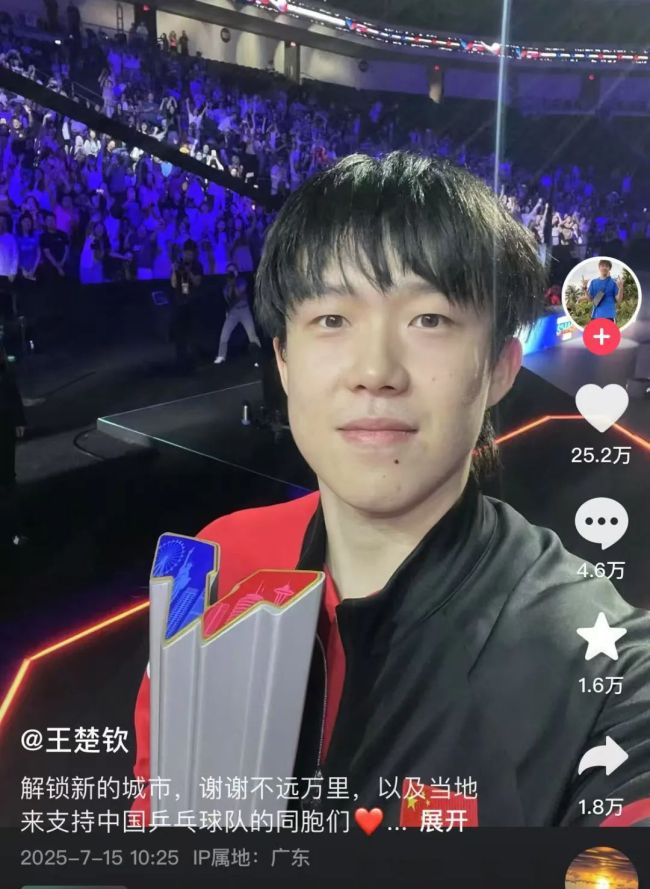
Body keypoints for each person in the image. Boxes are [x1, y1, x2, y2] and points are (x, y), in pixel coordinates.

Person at [131, 152, 650, 828]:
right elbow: (158, 807)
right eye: (331, 319)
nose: (375, 371)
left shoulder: (600, 663)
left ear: (500, 367)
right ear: (283, 359)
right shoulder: (216, 560)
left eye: (429, 319)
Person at [0, 343, 27, 550]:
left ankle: (13, 532)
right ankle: (12, 533)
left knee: (8, 479)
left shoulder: (4, 372)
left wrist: (19, 420)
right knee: (7, 481)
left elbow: (11, 390)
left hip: (4, 427)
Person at [213, 263, 261, 365]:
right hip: (233, 313)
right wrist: (230, 284)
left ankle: (258, 357)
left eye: (232, 271)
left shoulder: (242, 281)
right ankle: (221, 356)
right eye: (228, 271)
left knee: (252, 335)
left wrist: (234, 282)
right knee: (224, 335)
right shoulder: (226, 287)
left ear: (236, 271)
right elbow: (229, 299)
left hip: (244, 310)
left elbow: (239, 294)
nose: (230, 273)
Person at [170, 238, 203, 370]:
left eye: (190, 253)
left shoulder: (197, 265)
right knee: (179, 334)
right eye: (186, 253)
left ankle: (194, 361)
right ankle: (180, 362)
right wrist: (174, 270)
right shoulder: (178, 264)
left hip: (192, 302)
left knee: (193, 333)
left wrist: (188, 272)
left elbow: (197, 282)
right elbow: (173, 284)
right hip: (179, 302)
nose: (188, 255)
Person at [582, 258, 622, 323]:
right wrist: (585, 289)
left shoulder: (614, 282)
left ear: (609, 268)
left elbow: (619, 300)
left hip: (609, 316)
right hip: (595, 315)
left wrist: (621, 288)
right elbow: (590, 299)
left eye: (607, 266)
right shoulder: (593, 282)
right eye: (602, 266)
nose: (604, 267)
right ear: (599, 267)